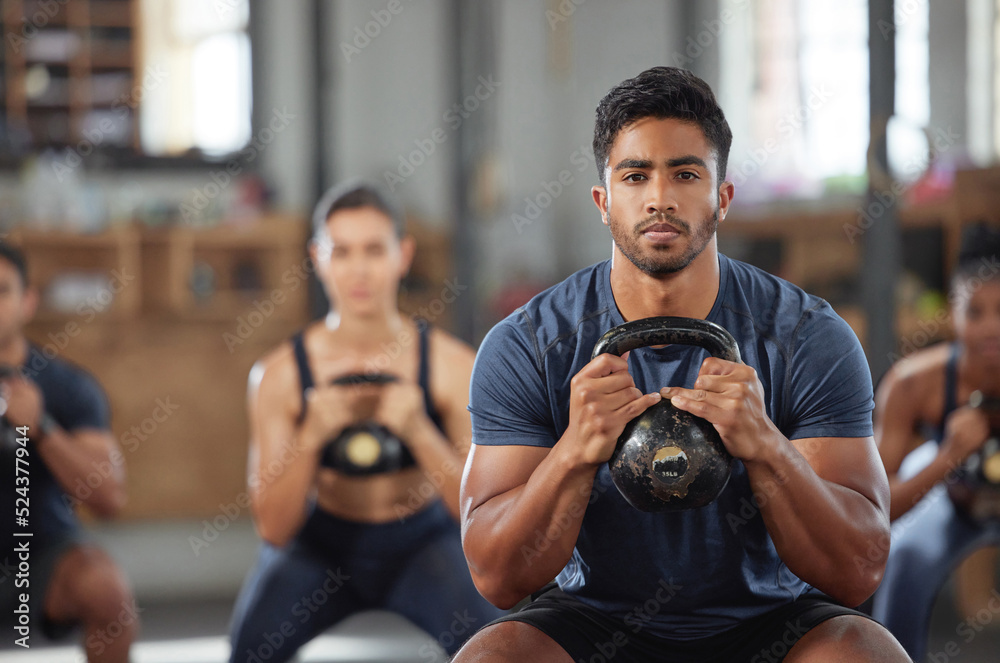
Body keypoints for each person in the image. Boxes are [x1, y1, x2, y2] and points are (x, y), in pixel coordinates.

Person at [454, 67, 909, 662]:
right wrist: (576, 449)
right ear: (603, 199)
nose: (659, 197)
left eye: (685, 174)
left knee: (864, 653)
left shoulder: (808, 336)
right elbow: (497, 578)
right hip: (594, 624)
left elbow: (859, 569)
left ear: (722, 196)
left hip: (767, 622)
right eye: (635, 175)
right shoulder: (528, 344)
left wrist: (764, 443)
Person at [228, 181, 502, 663]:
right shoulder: (279, 375)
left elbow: (482, 514)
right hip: (323, 543)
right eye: (342, 251)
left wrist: (419, 431)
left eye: (374, 250)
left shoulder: (452, 364)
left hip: (422, 541)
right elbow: (273, 527)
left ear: (403, 255)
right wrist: (311, 436)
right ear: (318, 258)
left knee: (498, 651)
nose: (358, 270)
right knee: (249, 650)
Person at [0, 242, 136, 662]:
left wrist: (41, 428)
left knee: (106, 590)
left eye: (1, 291)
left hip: (40, 557)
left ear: (27, 301)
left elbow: (109, 498)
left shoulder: (67, 387)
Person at [871, 223, 1000, 659]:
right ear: (953, 312)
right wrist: (949, 456)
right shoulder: (913, 384)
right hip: (955, 503)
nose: (990, 329)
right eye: (976, 311)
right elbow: (875, 509)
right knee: (907, 557)